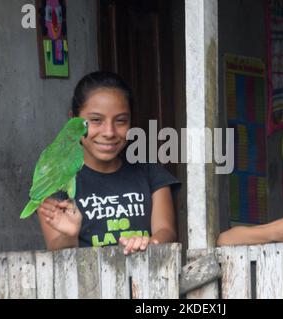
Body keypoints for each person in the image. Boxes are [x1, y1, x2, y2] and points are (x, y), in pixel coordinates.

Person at [37, 71, 180, 255]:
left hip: (146, 279)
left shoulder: (151, 173)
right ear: (73, 119)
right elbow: (57, 254)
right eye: (96, 120)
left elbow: (166, 231)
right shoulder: (53, 180)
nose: (109, 132)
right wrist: (69, 235)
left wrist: (148, 244)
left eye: (120, 121)